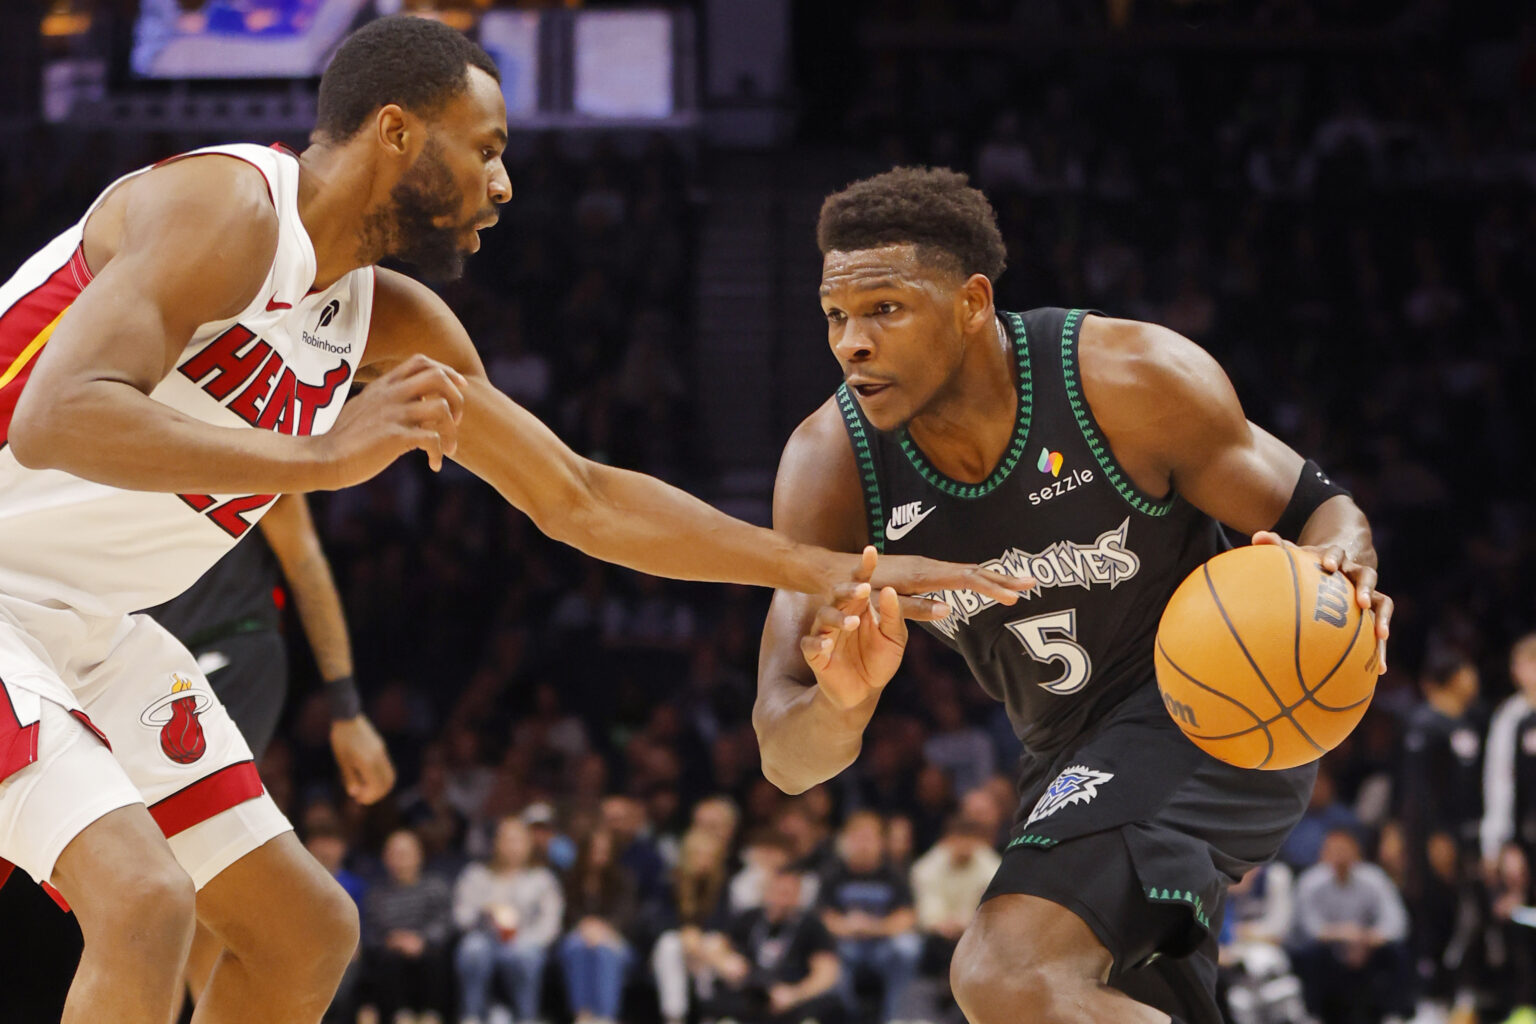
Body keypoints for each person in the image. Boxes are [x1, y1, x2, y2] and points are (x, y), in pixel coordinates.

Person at [0, 20, 1024, 1024]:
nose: (505, 184)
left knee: (304, 932)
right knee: (142, 904)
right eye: (486, 149)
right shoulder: (225, 205)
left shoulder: (390, 325)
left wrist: (824, 568)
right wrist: (318, 456)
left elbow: (579, 496)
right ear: (397, 133)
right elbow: (58, 416)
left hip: (92, 621)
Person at [753, 167, 1394, 1024]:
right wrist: (841, 705)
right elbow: (785, 754)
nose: (850, 343)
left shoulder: (1128, 380)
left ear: (973, 303)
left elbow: (1323, 511)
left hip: (1218, 705)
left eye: (885, 310)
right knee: (1083, 999)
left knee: (1003, 972)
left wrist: (1343, 573)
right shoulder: (831, 465)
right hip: (1065, 756)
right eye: (837, 316)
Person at [146, 490, 396, 1003]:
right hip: (143, 665)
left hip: (232, 651)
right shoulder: (114, 429)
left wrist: (347, 709)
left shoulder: (256, 430)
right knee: (184, 880)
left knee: (171, 870)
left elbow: (303, 558)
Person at [1287, 828, 1412, 1024]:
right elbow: (1308, 928)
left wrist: (1369, 938)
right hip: (1329, 949)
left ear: (1357, 852)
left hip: (1367, 947)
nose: (1340, 855)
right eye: (1334, 850)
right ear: (1323, 853)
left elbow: (1397, 923)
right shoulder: (1310, 882)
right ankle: (1311, 1014)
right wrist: (1344, 935)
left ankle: (1395, 1014)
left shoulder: (1374, 878)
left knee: (1397, 953)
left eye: (1345, 849)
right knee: (1310, 953)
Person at [698, 864, 844, 1024]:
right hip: (749, 993)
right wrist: (725, 961)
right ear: (766, 892)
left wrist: (795, 994)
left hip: (792, 997)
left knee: (823, 1010)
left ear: (798, 896)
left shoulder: (811, 925)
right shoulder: (749, 918)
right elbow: (715, 944)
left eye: (788, 893)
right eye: (778, 891)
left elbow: (826, 973)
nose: (782, 900)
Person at [452, 816, 564, 1024]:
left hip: (525, 940)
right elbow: (461, 916)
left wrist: (528, 940)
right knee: (472, 949)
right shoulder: (476, 874)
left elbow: (551, 923)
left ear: (529, 845)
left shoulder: (542, 879)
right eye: (507, 840)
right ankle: (472, 1015)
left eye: (518, 840)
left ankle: (525, 1016)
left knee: (525, 955)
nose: (512, 846)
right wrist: (483, 913)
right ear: (496, 843)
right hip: (485, 938)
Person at [817, 811, 923, 1024]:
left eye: (869, 838)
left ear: (881, 842)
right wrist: (847, 927)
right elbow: (822, 916)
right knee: (827, 953)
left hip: (882, 945)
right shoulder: (833, 873)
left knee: (908, 947)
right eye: (857, 837)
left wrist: (873, 927)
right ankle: (847, 1016)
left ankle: (894, 1016)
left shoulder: (894, 874)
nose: (863, 844)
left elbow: (907, 917)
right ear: (845, 841)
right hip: (846, 944)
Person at [362, 828, 455, 1024]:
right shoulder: (376, 894)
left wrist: (422, 939)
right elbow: (370, 932)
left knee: (437, 956)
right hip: (390, 952)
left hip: (426, 949)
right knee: (386, 960)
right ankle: (400, 1016)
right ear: (385, 858)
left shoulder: (435, 886)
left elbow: (445, 922)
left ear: (419, 855)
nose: (400, 859)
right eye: (394, 854)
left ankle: (432, 1015)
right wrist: (391, 940)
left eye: (405, 853)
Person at [558, 827, 638, 1024]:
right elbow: (565, 913)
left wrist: (604, 927)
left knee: (604, 950)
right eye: (594, 850)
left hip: (614, 937)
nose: (599, 856)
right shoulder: (570, 879)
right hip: (579, 934)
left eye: (604, 851)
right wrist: (583, 925)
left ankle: (605, 1016)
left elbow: (627, 915)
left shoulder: (624, 879)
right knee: (575, 947)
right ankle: (582, 1015)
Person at [1482, 633, 1536, 872]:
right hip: (1524, 836)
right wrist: (1496, 843)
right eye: (1518, 664)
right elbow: (1499, 780)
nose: (1519, 671)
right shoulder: (1510, 716)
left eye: (1528, 662)